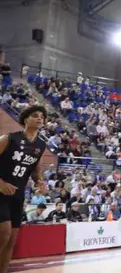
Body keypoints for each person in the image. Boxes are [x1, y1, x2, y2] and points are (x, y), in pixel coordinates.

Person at [0, 105, 47, 273]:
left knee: (11, 240)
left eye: (42, 116)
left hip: (18, 195)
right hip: (0, 192)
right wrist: (1, 184)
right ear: (26, 119)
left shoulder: (41, 145)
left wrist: (39, 181)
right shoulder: (9, 138)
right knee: (4, 233)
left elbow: (36, 168)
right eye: (35, 115)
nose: (40, 118)